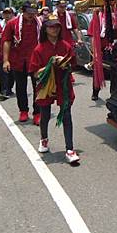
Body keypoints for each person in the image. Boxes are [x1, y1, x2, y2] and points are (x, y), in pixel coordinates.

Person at [30, 14, 80, 164]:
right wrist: (50, 64)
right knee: (44, 115)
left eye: (57, 26)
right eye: (51, 26)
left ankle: (70, 149)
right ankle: (44, 138)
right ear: (45, 29)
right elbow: (35, 73)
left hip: (63, 83)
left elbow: (73, 65)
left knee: (66, 115)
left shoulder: (65, 45)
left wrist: (65, 64)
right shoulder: (39, 49)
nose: (55, 29)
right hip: (46, 85)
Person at [2, 1, 41, 124]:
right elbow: (7, 41)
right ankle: (23, 111)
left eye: (34, 13)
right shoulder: (12, 24)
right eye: (29, 13)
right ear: (23, 12)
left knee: (38, 87)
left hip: (36, 60)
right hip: (18, 60)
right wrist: (5, 60)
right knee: (21, 87)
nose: (31, 15)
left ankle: (37, 112)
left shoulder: (40, 24)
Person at [0, 7, 15, 100]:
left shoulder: (16, 25)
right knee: (2, 73)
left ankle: (9, 88)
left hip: (13, 52)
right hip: (0, 52)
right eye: (5, 13)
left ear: (12, 14)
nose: (7, 15)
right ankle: (3, 90)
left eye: (9, 13)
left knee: (12, 73)